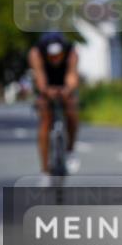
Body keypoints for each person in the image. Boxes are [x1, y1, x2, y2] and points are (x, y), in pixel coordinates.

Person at [28, 31, 81, 174]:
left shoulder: (71, 52)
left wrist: (67, 90)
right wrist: (46, 91)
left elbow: (72, 76)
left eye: (58, 55)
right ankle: (45, 168)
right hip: (46, 85)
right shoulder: (36, 53)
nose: (55, 58)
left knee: (72, 111)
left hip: (64, 84)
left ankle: (70, 150)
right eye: (51, 55)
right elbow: (40, 77)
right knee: (45, 119)